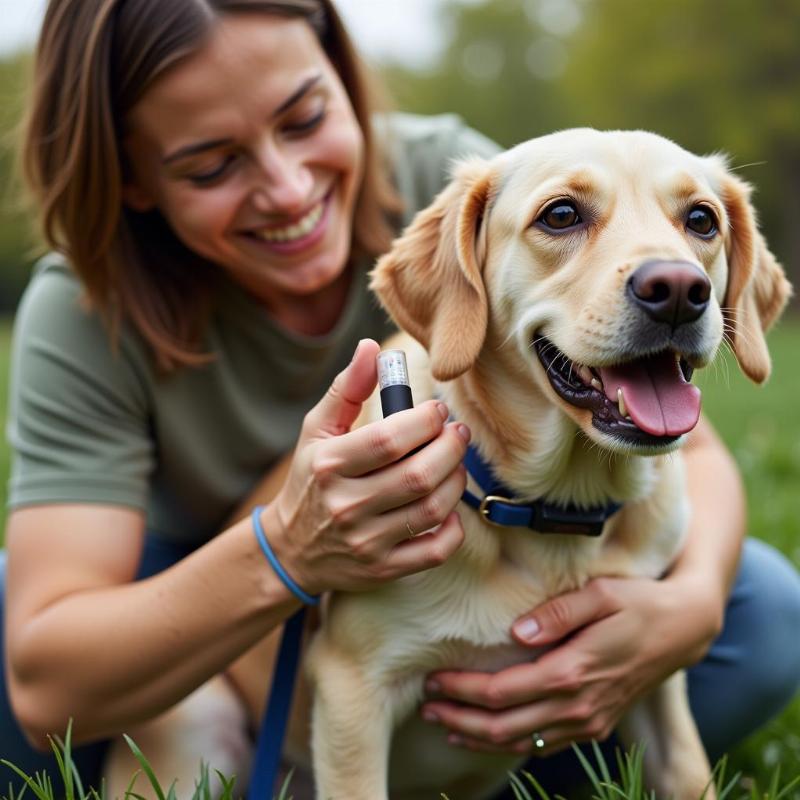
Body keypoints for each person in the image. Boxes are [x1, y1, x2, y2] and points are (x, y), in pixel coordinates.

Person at [1, 0, 799, 797]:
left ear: (346, 80)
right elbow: (49, 687)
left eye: (305, 117)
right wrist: (290, 547)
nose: (286, 189)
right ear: (133, 178)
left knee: (757, 607)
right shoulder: (81, 306)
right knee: (19, 632)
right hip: (191, 622)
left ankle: (506, 749)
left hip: (525, 562)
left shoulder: (464, 175)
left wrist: (691, 613)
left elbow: (690, 453)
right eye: (211, 165)